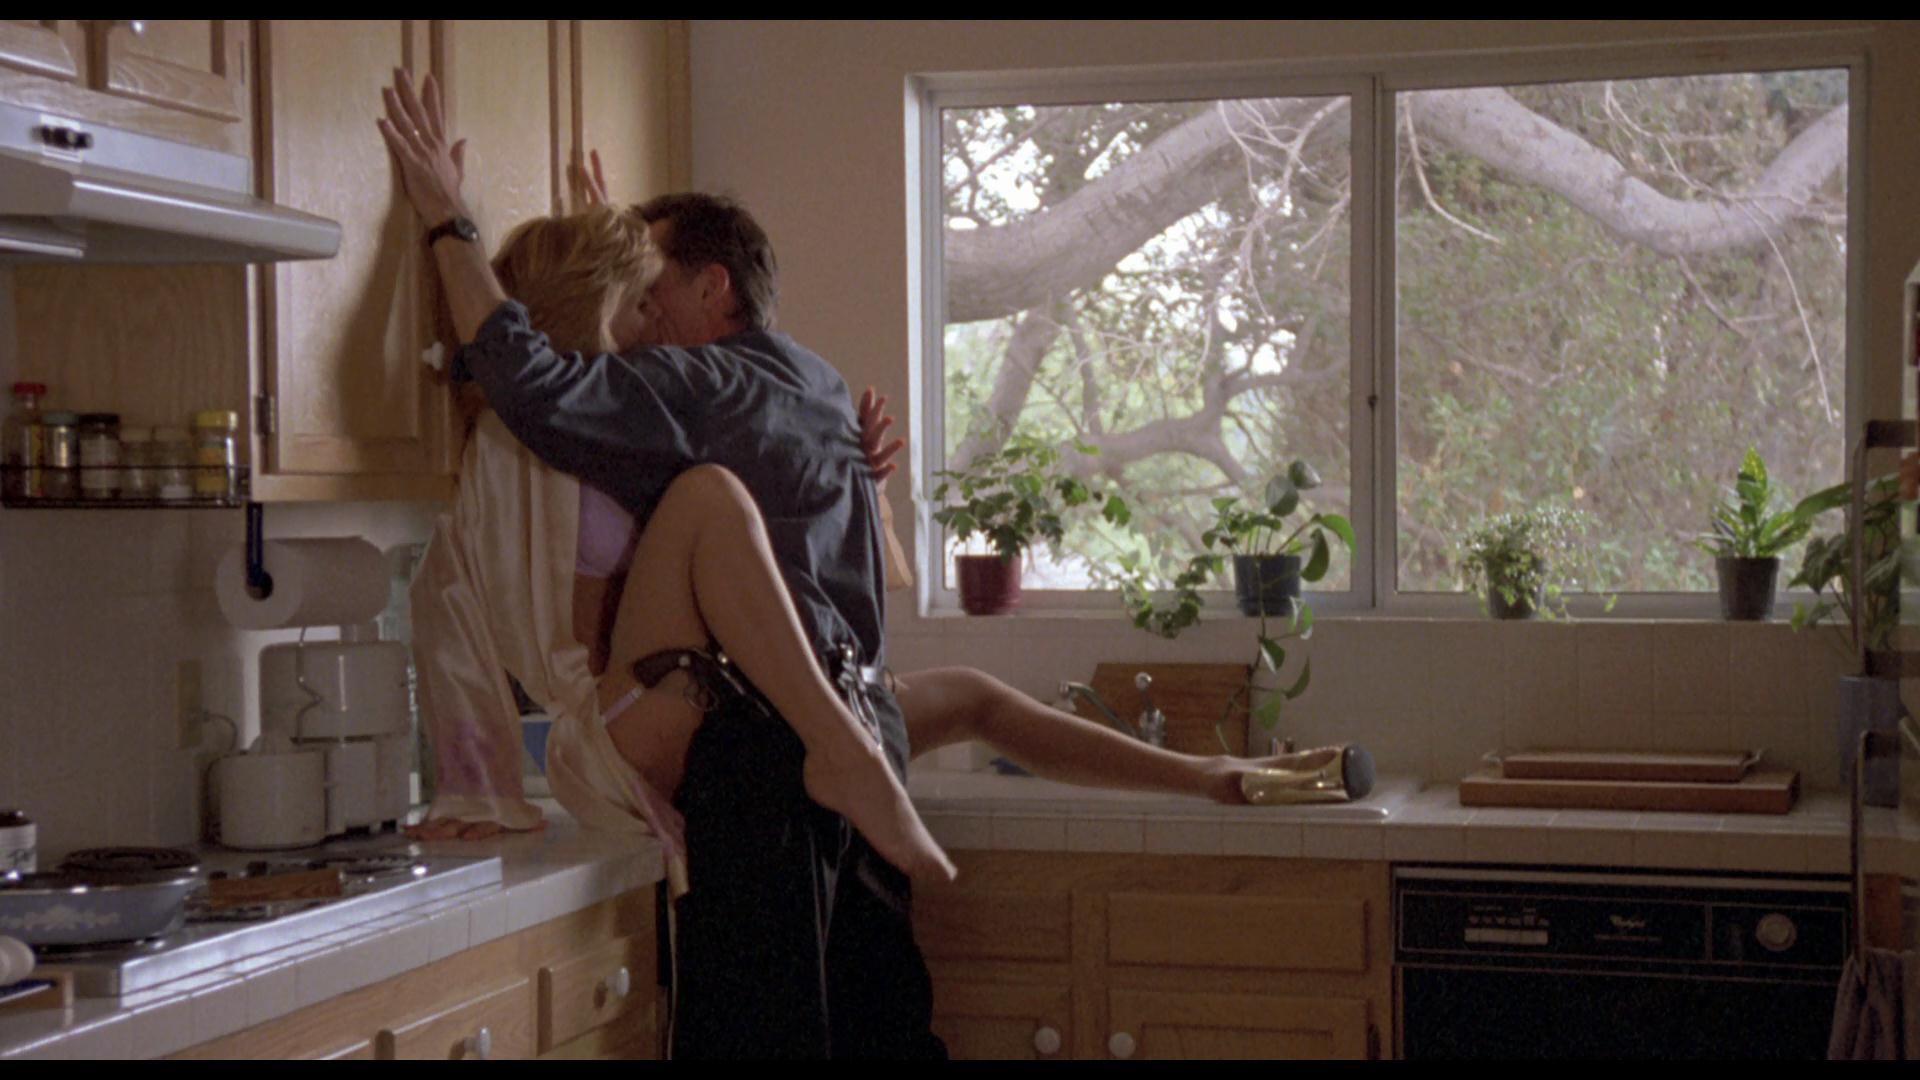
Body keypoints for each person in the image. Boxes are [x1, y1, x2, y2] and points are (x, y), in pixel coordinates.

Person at [382, 74, 1336, 1058]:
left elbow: (540, 380)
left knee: (928, 682)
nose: (647, 316)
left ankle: (1191, 773)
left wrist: (456, 226)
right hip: (774, 700)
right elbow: (888, 577)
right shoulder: (814, 384)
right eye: (634, 297)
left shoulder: (682, 394)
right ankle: (1185, 772)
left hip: (760, 702)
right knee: (788, 564)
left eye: (655, 288)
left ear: (711, 286)